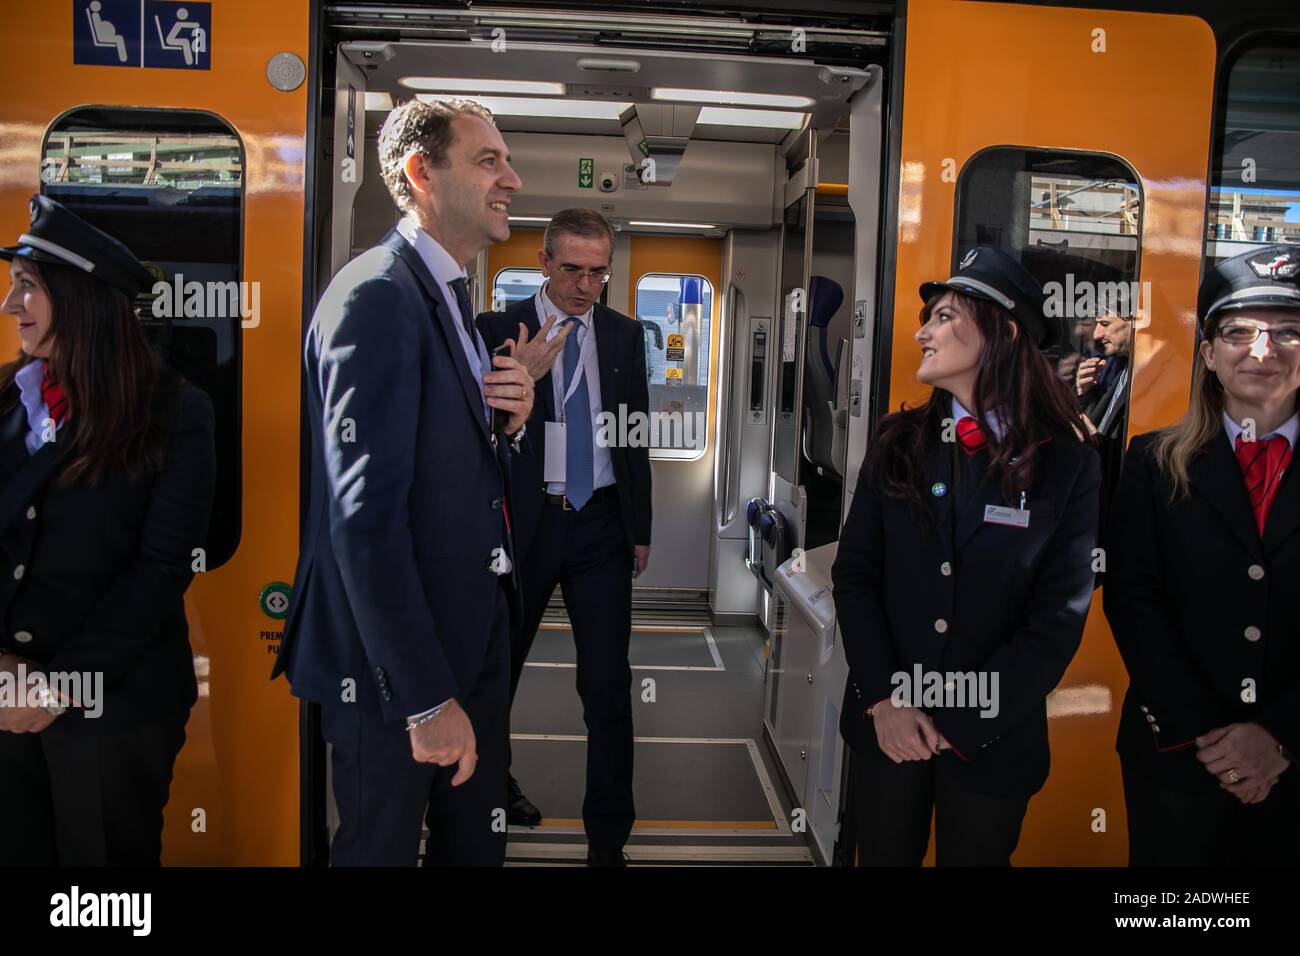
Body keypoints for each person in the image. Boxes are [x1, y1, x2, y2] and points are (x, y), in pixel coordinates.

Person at [272, 99, 534, 867]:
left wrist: (505, 428)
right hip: (392, 670)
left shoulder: (448, 296)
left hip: (464, 642)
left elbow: (445, 473)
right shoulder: (377, 297)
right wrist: (424, 697)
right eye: (489, 161)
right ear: (423, 173)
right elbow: (365, 519)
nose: (511, 179)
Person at [832, 245, 1100, 866]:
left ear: (1003, 332)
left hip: (992, 737)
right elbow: (856, 576)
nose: (923, 332)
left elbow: (1056, 619)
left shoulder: (1068, 463)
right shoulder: (896, 441)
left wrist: (960, 719)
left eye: (945, 316)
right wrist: (885, 701)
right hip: (887, 729)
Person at [0, 195, 216, 865]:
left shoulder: (173, 411)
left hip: (115, 707)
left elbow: (160, 568)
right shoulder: (7, 395)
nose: (11, 306)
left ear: (83, 299)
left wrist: (59, 686)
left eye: (28, 287)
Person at [1104, 244, 1300, 866]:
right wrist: (1213, 739)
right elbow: (1134, 601)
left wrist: (1278, 737)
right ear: (1209, 354)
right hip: (1177, 754)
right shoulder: (1153, 462)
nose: (1262, 350)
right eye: (1238, 331)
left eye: (1289, 332)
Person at [477, 208, 652, 866]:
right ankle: (488, 798)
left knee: (608, 689)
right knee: (498, 673)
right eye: (573, 269)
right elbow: (474, 439)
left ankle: (610, 839)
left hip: (602, 524)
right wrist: (527, 379)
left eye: (598, 272)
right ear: (545, 263)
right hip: (523, 524)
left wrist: (641, 528)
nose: (585, 284)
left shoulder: (624, 335)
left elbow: (633, 437)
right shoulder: (497, 329)